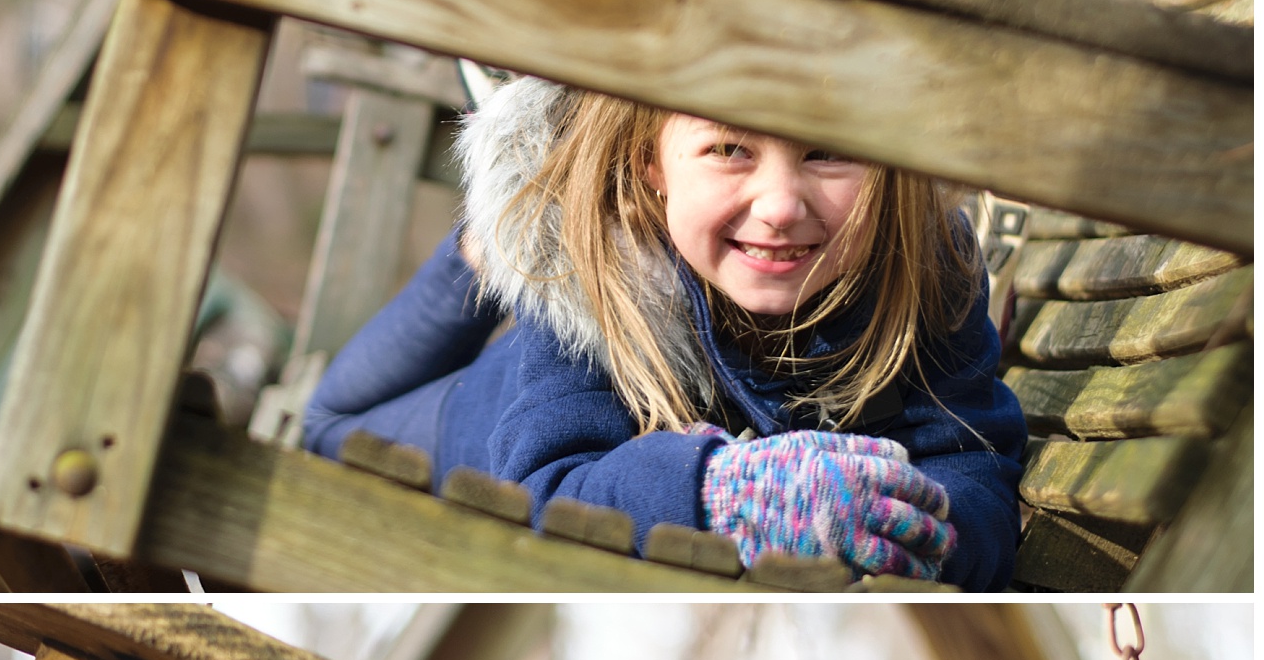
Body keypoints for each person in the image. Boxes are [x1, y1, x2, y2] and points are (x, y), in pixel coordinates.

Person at [303, 77, 1026, 589]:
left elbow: (973, 464)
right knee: (324, 423)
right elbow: (543, 493)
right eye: (729, 150)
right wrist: (723, 497)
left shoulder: (927, 266)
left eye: (828, 151)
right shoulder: (596, 275)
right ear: (653, 162)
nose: (779, 204)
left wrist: (920, 531)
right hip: (429, 427)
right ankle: (488, 242)